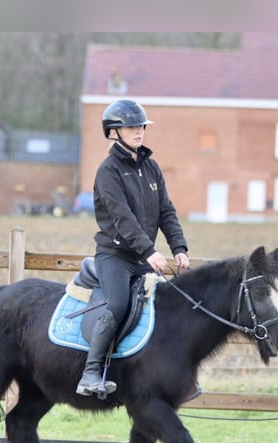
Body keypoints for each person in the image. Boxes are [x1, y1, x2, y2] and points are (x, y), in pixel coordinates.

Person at [76, 99, 190, 397]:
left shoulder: (151, 168)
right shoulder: (108, 171)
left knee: (171, 305)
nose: (138, 131)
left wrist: (179, 247)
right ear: (114, 132)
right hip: (116, 257)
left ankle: (179, 376)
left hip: (143, 256)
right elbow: (122, 218)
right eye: (131, 126)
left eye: (141, 126)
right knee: (116, 305)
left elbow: (166, 210)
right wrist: (149, 252)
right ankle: (90, 373)